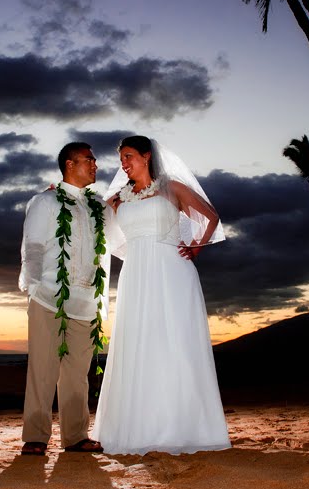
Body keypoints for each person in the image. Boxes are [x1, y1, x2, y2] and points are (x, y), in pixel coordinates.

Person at [93, 135, 230, 455]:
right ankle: (137, 427)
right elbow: (94, 221)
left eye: (128, 157)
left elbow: (210, 217)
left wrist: (195, 246)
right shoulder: (118, 199)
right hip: (136, 273)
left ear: (146, 156)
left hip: (173, 270)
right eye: (121, 159)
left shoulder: (172, 188)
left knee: (175, 342)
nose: (123, 164)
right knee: (138, 342)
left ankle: (183, 426)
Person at [18, 142, 116, 456]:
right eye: (90, 159)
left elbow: (121, 240)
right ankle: (35, 436)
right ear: (70, 164)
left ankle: (75, 437)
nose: (96, 165)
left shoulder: (99, 205)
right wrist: (32, 287)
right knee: (43, 369)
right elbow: (32, 246)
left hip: (87, 301)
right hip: (49, 297)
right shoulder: (45, 201)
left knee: (77, 374)